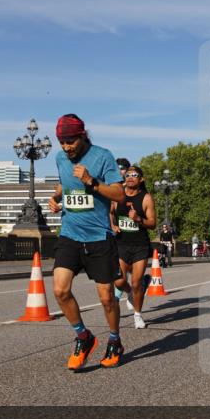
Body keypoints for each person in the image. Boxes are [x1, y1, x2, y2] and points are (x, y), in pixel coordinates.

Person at [46, 114, 126, 371]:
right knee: (60, 290)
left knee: (106, 298)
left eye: (70, 141)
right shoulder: (60, 158)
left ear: (82, 136)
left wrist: (92, 181)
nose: (66, 147)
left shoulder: (103, 156)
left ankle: (114, 340)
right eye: (62, 142)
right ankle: (83, 336)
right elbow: (64, 184)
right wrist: (56, 197)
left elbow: (119, 194)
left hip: (99, 237)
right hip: (70, 234)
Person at [110, 165, 155, 330]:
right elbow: (111, 212)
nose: (130, 177)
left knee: (136, 283)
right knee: (119, 281)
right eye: (128, 174)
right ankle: (129, 293)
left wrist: (138, 219)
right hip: (121, 243)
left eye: (134, 175)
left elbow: (152, 223)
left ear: (141, 179)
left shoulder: (146, 198)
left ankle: (137, 315)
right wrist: (113, 225)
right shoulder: (118, 195)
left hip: (140, 246)